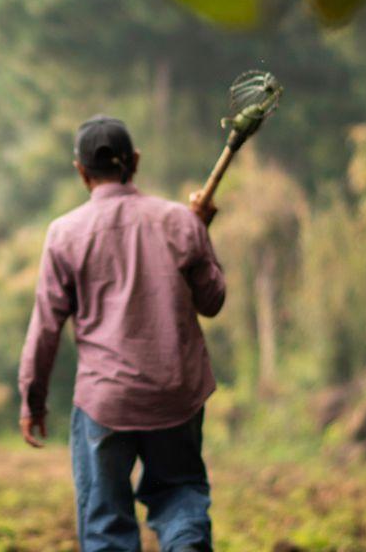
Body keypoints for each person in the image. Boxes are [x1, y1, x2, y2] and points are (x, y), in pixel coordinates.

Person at [17, 115, 226, 552]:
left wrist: (33, 398)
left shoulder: (64, 234)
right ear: (135, 161)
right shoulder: (179, 222)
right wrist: (200, 232)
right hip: (177, 394)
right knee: (181, 497)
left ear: (80, 171)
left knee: (107, 525)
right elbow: (212, 300)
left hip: (104, 401)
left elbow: (46, 327)